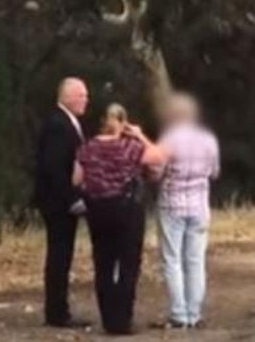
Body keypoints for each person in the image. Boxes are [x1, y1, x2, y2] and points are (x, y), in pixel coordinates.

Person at [75, 103, 165, 335]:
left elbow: (76, 179)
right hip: (126, 209)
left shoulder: (87, 147)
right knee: (128, 265)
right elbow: (158, 157)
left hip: (98, 210)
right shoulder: (130, 147)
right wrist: (139, 135)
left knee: (103, 264)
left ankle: (108, 319)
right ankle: (123, 320)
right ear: (123, 122)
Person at [151, 93, 220, 330]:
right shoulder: (208, 139)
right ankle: (195, 312)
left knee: (172, 259)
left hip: (172, 204)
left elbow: (156, 170)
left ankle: (178, 313)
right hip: (199, 205)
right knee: (195, 260)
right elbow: (214, 172)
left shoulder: (169, 139)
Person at [34, 77, 90, 328]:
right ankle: (56, 312)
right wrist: (71, 198)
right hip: (58, 204)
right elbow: (54, 167)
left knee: (62, 256)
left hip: (60, 201)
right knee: (59, 256)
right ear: (66, 96)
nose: (85, 100)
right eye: (81, 95)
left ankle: (59, 309)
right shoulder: (58, 124)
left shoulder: (67, 122)